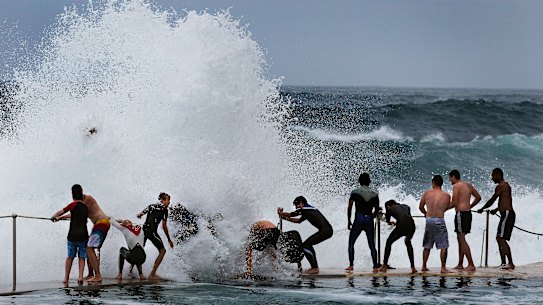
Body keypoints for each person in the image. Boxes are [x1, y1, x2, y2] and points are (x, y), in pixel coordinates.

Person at [278, 196, 333, 275]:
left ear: (302, 203)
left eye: (297, 204)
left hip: (326, 231)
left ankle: (315, 268)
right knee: (307, 245)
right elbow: (298, 221)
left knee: (306, 245)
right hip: (327, 231)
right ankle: (314, 267)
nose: (296, 207)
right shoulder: (307, 210)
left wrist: (281, 213)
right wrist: (284, 218)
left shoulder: (305, 210)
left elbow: (290, 214)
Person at [477, 168, 515, 270]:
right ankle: (503, 263)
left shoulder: (501, 186)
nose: (492, 178)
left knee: (501, 238)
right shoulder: (506, 185)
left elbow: (492, 199)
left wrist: (482, 208)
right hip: (507, 214)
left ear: (498, 174)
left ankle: (510, 263)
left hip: (507, 214)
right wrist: (497, 209)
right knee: (499, 238)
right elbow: (505, 201)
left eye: (493, 175)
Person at [50, 187, 89, 284]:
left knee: (70, 256)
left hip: (73, 235)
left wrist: (54, 217)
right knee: (82, 257)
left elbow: (62, 211)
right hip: (84, 235)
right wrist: (61, 218)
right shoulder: (85, 207)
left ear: (72, 196)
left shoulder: (72, 205)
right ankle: (80, 277)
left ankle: (66, 278)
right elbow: (73, 215)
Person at [72, 184, 109, 282]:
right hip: (98, 225)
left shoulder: (87, 199)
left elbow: (75, 213)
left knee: (89, 248)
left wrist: (59, 217)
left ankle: (98, 275)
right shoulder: (79, 203)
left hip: (102, 223)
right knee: (89, 247)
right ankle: (90, 273)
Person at [345, 173, 380, 272]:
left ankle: (351, 265)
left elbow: (350, 207)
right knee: (372, 244)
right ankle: (375, 265)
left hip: (359, 219)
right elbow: (376, 210)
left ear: (359, 181)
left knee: (351, 242)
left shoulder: (355, 192)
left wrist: (349, 220)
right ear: (369, 181)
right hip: (369, 219)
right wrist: (371, 217)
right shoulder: (375, 194)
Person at [419, 175, 453, 273]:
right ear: (442, 184)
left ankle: (424, 266)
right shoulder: (446, 195)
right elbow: (448, 206)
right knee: (443, 245)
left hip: (429, 220)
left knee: (427, 245)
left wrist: (425, 213)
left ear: (433, 182)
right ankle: (443, 268)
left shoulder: (427, 193)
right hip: (439, 219)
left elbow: (421, 206)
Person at [449, 169, 481, 272]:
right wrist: (470, 206)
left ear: (453, 176)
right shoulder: (468, 185)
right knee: (460, 238)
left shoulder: (456, 186)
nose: (450, 181)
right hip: (468, 213)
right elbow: (478, 197)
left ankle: (471, 264)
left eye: (450, 178)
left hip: (461, 214)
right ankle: (460, 264)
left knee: (461, 239)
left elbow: (454, 203)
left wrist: (442, 209)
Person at [137, 192, 174, 280]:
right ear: (162, 200)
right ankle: (152, 274)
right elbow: (164, 226)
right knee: (163, 251)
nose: (169, 203)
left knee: (140, 250)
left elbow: (140, 214)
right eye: (168, 200)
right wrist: (169, 239)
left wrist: (139, 215)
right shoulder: (165, 210)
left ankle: (130, 271)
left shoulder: (151, 206)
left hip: (144, 230)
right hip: (151, 232)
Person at [378, 200, 417, 274]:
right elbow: (405, 217)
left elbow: (388, 220)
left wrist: (390, 222)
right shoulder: (406, 206)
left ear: (389, 205)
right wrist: (398, 222)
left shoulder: (390, 208)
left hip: (401, 226)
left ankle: (384, 265)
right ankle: (413, 267)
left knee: (389, 242)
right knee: (408, 242)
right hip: (412, 226)